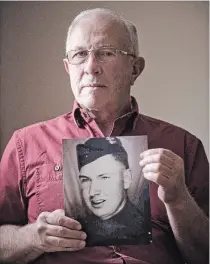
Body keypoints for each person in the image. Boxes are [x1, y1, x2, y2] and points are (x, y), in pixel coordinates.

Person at [0, 7, 208, 264]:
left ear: (135, 69)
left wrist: (178, 199)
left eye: (106, 53)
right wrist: (32, 238)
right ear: (68, 67)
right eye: (79, 55)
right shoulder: (26, 144)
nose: (90, 67)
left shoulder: (184, 146)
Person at [75, 137, 149, 246]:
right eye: (86, 180)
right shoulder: (76, 228)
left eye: (104, 177)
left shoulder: (145, 229)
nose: (92, 192)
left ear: (126, 179)